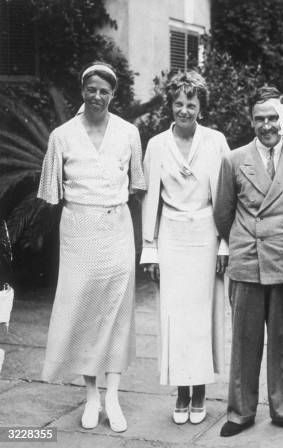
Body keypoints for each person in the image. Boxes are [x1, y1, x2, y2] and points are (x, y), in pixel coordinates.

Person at [38, 61, 146, 433]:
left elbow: (137, 185)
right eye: (92, 89)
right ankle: (91, 397)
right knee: (84, 311)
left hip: (117, 228)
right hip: (78, 231)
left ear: (113, 95)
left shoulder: (129, 133)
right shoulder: (61, 136)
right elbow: (52, 193)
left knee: (116, 312)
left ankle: (112, 396)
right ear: (82, 91)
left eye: (105, 91)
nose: (97, 96)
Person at [213, 86, 283, 437]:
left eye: (273, 117)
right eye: (260, 118)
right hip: (248, 257)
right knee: (245, 339)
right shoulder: (234, 159)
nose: (267, 125)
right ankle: (240, 412)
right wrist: (243, 240)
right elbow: (223, 212)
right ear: (251, 121)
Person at [140, 71, 229, 425]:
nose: (185, 110)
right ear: (170, 106)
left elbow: (224, 197)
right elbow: (150, 201)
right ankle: (181, 392)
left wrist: (225, 244)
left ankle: (201, 392)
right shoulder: (157, 145)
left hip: (208, 236)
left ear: (201, 107)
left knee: (204, 315)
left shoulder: (216, 142)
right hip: (172, 238)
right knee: (175, 317)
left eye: (191, 103)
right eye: (178, 103)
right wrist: (150, 249)